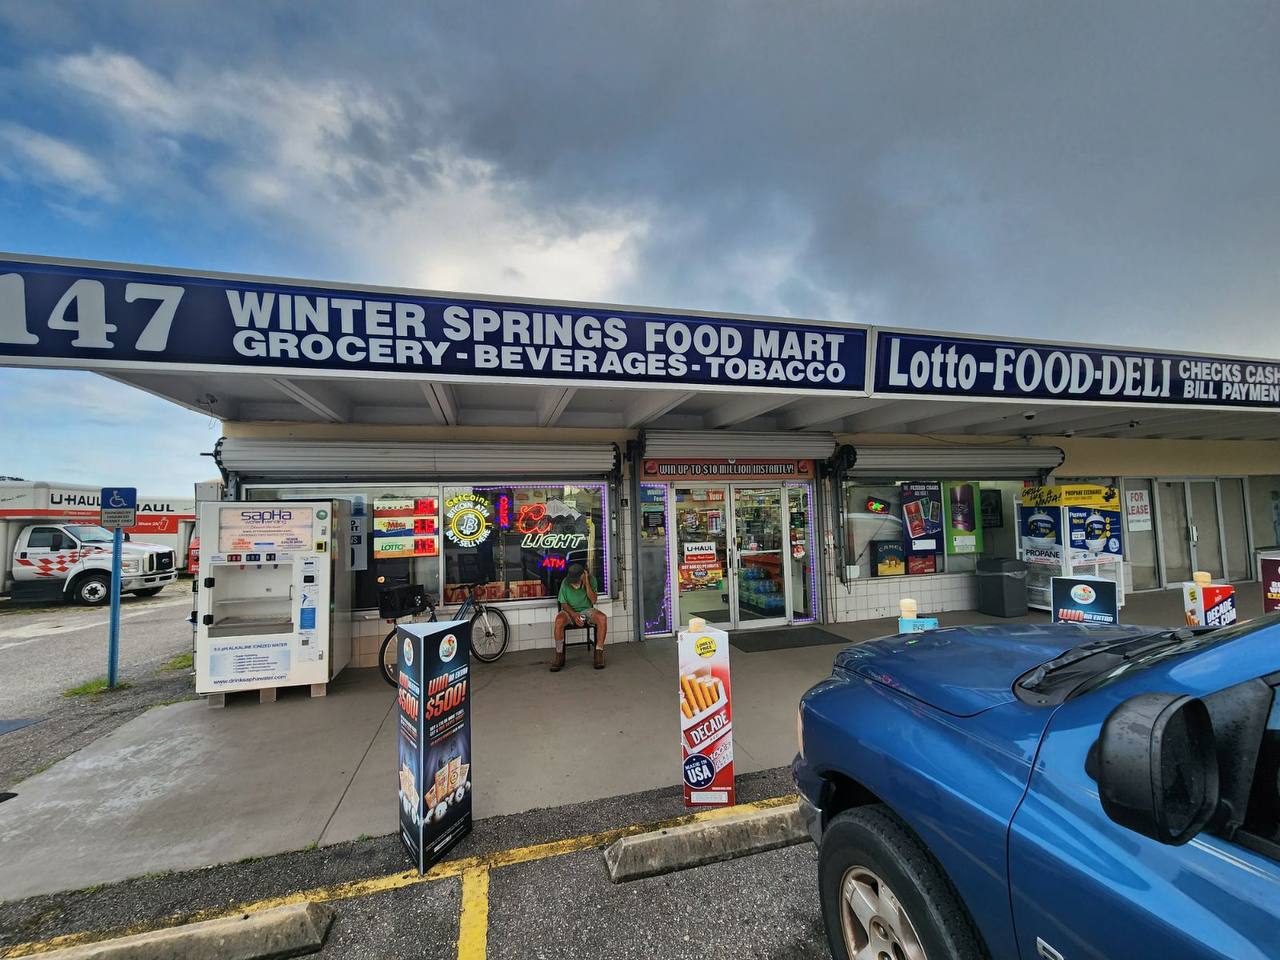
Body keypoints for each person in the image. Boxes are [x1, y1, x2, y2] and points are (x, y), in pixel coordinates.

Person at [551, 563, 607, 672]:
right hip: (569, 610)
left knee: (602, 618)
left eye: (576, 579)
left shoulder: (591, 580)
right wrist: (573, 614)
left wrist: (586, 583)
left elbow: (594, 600)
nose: (573, 582)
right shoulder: (565, 582)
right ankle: (559, 654)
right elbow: (563, 603)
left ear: (583, 575)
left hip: (587, 609)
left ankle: (599, 653)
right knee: (558, 621)